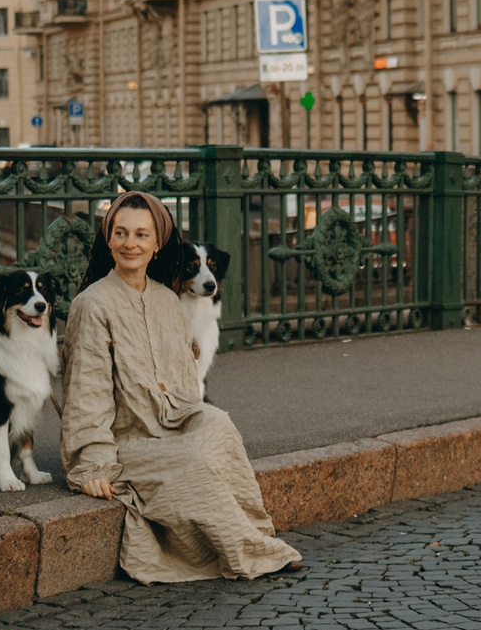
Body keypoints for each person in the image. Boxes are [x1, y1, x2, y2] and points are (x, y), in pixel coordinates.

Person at [59, 190, 302, 581]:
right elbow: (87, 388)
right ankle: (247, 551)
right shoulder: (93, 304)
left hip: (171, 421)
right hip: (127, 437)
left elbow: (186, 383)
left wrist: (191, 422)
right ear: (109, 240)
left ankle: (254, 535)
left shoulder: (165, 300)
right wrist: (92, 462)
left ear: (157, 244)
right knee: (192, 461)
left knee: (218, 425)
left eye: (141, 235)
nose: (130, 244)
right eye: (120, 233)